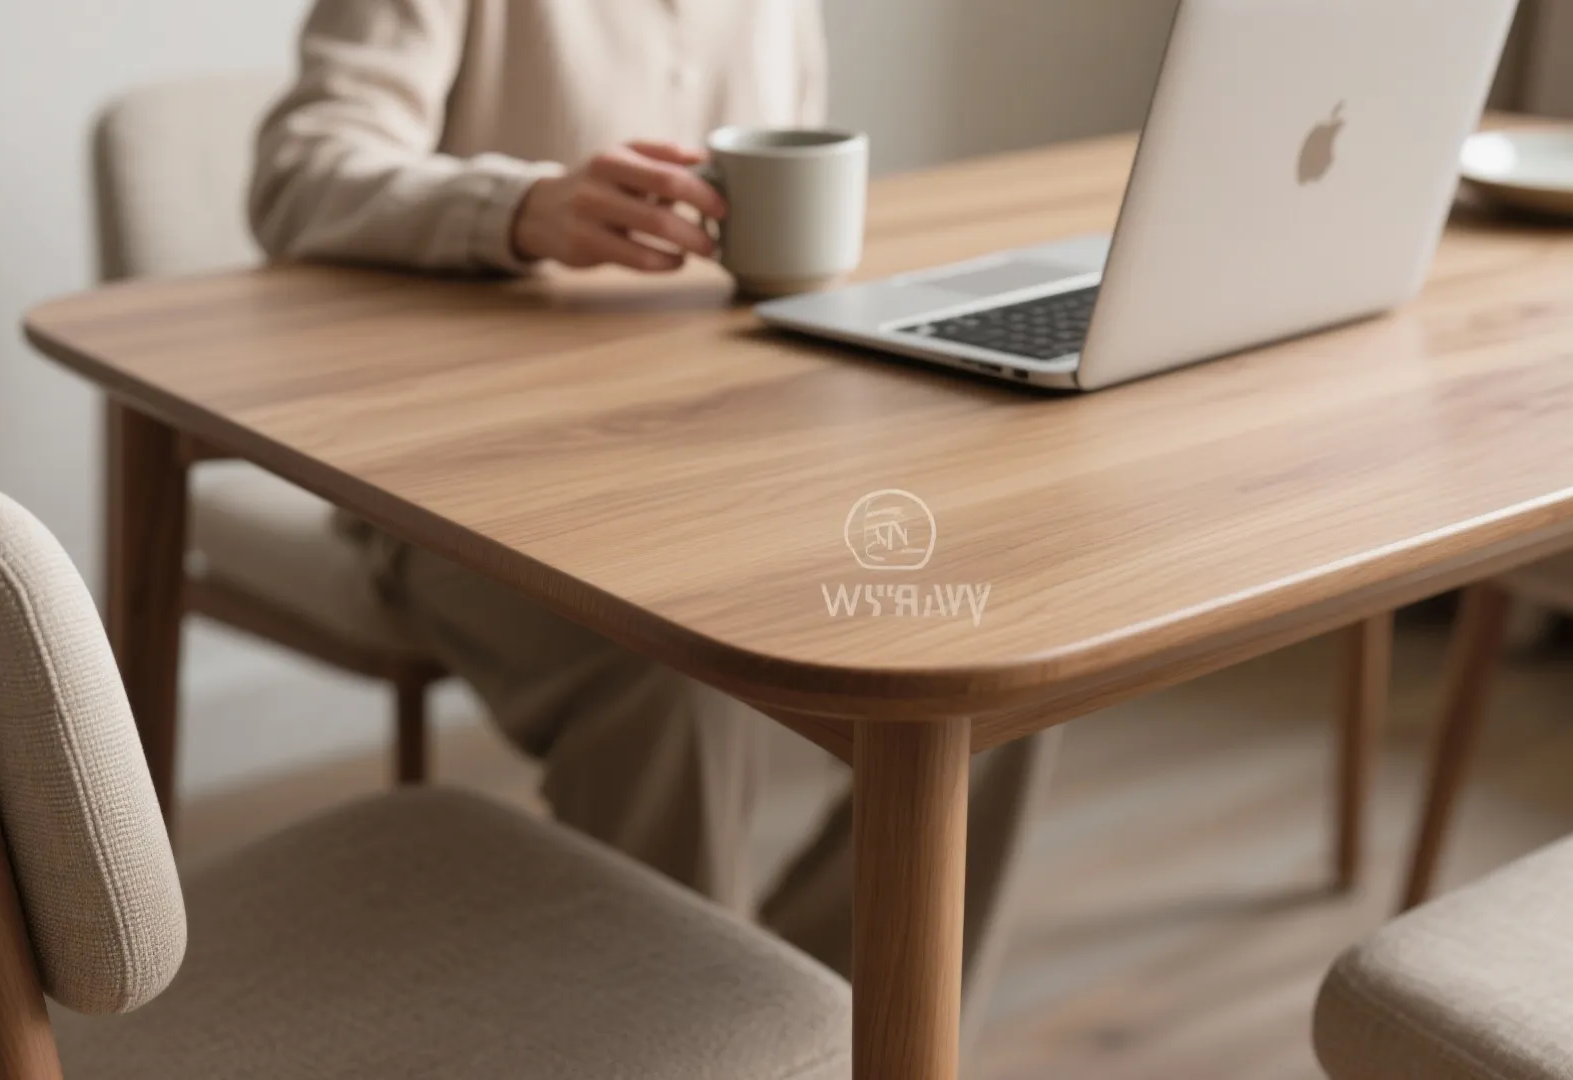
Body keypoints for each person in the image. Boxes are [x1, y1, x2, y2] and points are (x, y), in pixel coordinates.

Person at [249, 0, 1060, 1037]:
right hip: (460, 484)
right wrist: (523, 206)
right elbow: (297, 171)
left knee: (997, 639)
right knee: (669, 673)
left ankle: (819, 1036)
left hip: (725, 462)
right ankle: (685, 1042)